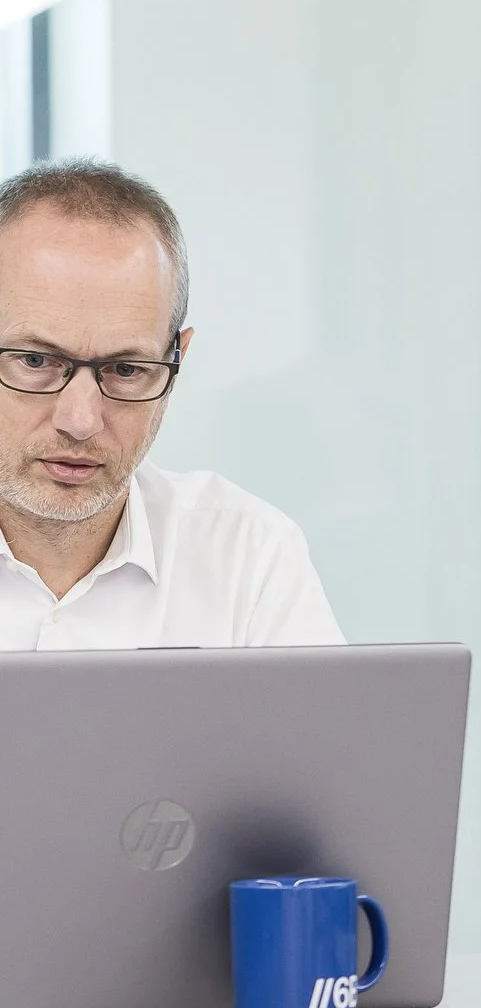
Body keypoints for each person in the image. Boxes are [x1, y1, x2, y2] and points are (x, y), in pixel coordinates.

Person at [0, 160, 341, 650]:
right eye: (35, 360)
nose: (80, 421)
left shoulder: (247, 556)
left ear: (176, 358)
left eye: (126, 370)